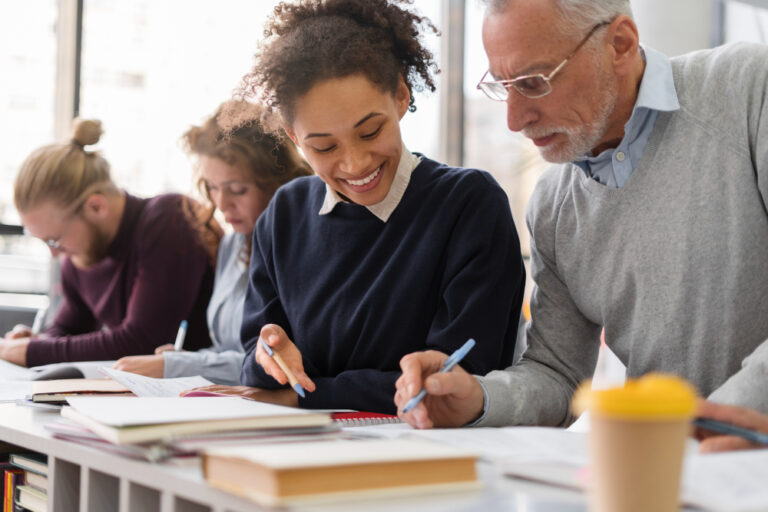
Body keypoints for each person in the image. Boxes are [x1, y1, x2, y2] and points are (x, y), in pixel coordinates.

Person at [395, 0, 768, 428]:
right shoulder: (554, 207)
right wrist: (479, 399)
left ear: (620, 45)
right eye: (503, 86)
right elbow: (558, 373)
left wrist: (706, 426)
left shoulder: (749, 90)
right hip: (665, 469)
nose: (515, 121)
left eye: (533, 82)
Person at [192, 0, 526, 414]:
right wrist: (269, 355)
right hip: (297, 448)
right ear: (295, 139)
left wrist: (304, 395)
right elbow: (255, 365)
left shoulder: (468, 205)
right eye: (324, 146)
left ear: (402, 97)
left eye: (370, 131)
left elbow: (455, 381)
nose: (355, 164)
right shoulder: (285, 214)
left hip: (431, 455)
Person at [112, 101, 312, 384]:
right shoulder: (232, 246)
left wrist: (181, 365)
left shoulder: (302, 248)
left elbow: (278, 362)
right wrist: (185, 360)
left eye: (237, 190)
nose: (221, 204)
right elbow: (228, 351)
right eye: (212, 188)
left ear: (277, 183)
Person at [1, 119, 215, 366]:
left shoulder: (170, 219)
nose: (54, 253)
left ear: (96, 206)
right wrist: (37, 341)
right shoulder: (80, 255)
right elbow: (66, 331)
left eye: (55, 240)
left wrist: (33, 351)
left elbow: (141, 342)